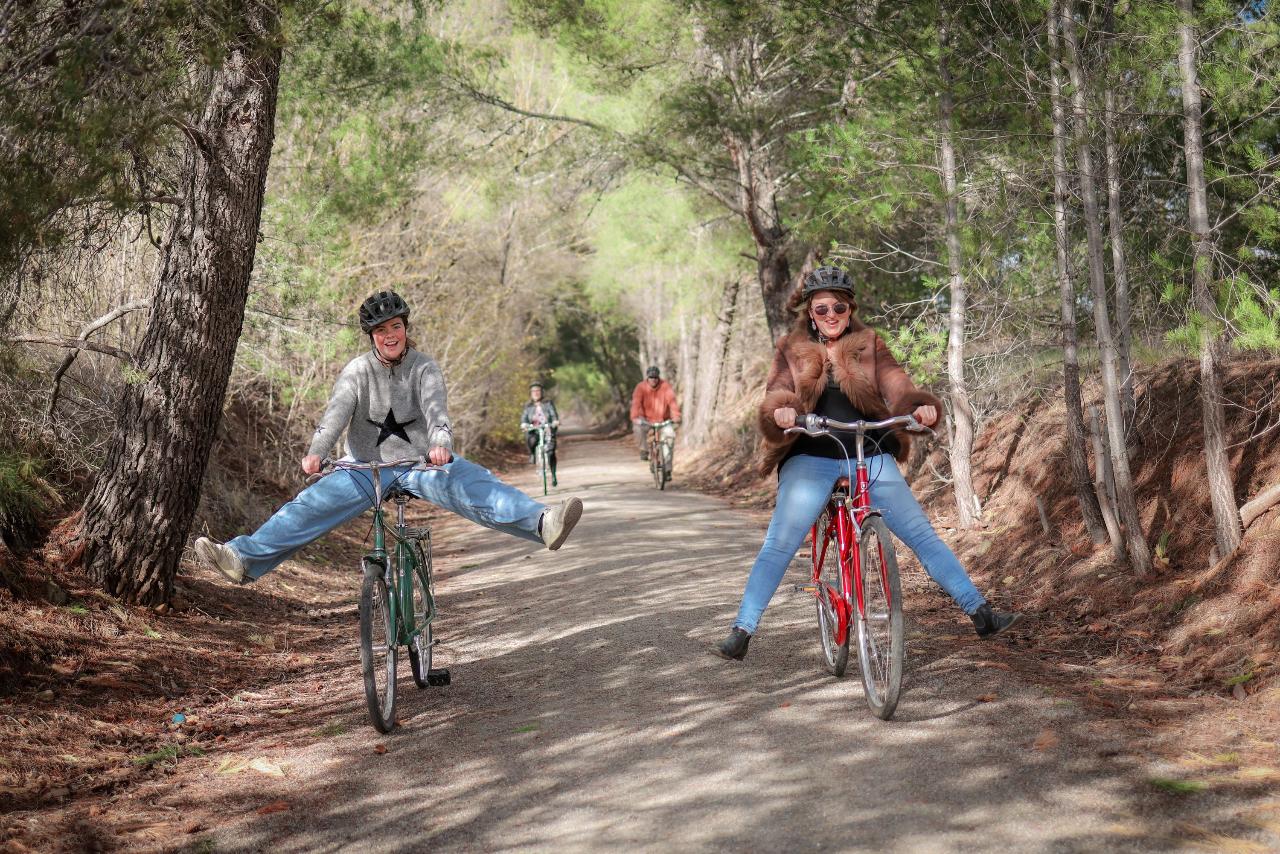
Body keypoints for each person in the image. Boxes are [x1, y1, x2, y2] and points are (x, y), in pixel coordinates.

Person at [714, 266, 1020, 661]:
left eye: (837, 307)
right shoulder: (791, 348)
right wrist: (783, 412)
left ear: (849, 308)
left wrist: (918, 407)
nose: (829, 315)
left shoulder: (870, 344)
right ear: (810, 312)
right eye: (820, 308)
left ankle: (980, 612)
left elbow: (897, 385)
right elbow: (777, 394)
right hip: (810, 456)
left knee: (921, 535)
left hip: (869, 452)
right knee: (780, 544)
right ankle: (743, 629)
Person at [192, 290, 584, 584]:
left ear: (406, 329)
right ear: (372, 336)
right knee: (307, 507)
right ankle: (241, 559)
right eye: (381, 330)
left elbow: (437, 412)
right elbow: (334, 416)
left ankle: (542, 523)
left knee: (474, 486)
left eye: (396, 326)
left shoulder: (424, 368)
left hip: (418, 463)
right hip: (362, 468)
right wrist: (316, 452)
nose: (390, 335)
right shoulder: (356, 372)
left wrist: (441, 446)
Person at [630, 365, 681, 462]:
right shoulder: (640, 387)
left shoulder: (665, 386)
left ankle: (667, 469)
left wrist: (676, 416)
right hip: (646, 420)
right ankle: (644, 450)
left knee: (670, 437)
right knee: (637, 428)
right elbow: (636, 403)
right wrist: (635, 417)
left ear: (659, 377)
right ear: (647, 378)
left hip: (663, 420)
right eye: (651, 377)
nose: (653, 380)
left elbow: (672, 402)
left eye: (655, 377)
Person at [521, 381, 560, 487]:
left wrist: (555, 421)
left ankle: (553, 475)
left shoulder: (548, 403)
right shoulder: (528, 405)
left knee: (551, 453)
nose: (536, 393)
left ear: (542, 392)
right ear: (530, 393)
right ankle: (533, 454)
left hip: (548, 429)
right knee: (531, 440)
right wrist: (524, 424)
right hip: (534, 430)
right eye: (533, 391)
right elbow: (524, 417)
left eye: (538, 390)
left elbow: (553, 414)